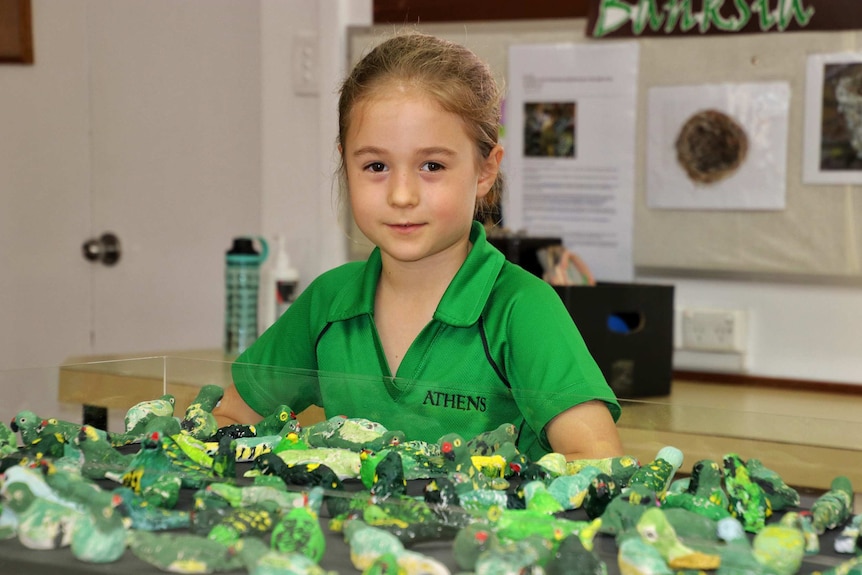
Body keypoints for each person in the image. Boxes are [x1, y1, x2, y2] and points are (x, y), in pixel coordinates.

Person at [213, 31, 623, 461]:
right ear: (344, 164)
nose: (402, 195)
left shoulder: (522, 309)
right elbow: (227, 419)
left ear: (485, 171)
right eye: (376, 165)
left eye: (432, 165)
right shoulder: (327, 303)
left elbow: (596, 461)